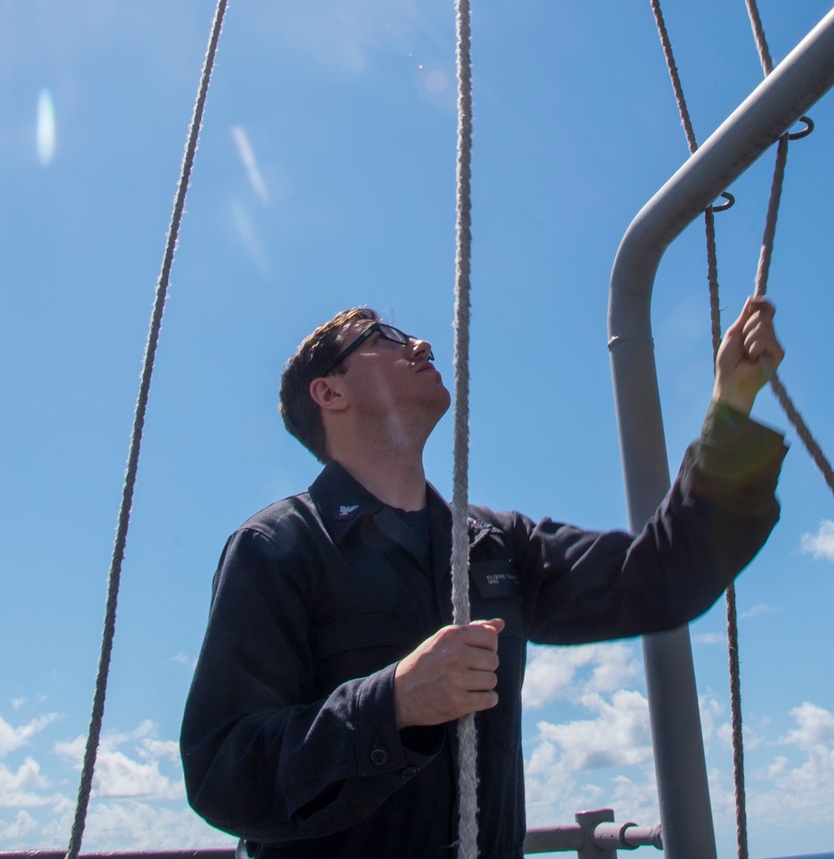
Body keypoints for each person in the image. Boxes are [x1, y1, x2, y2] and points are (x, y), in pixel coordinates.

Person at [181, 298, 787, 859]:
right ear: (329, 391)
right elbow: (221, 772)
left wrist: (732, 406)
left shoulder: (494, 544)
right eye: (381, 337)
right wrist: (390, 704)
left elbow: (661, 576)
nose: (418, 344)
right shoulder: (275, 549)